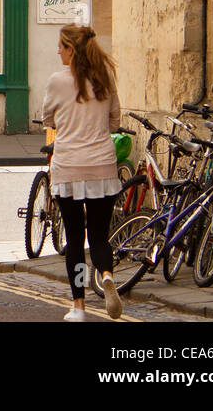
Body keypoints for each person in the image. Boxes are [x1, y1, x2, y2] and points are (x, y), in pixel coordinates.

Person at [43, 24, 124, 321]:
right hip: (102, 166)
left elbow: (48, 119)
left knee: (75, 240)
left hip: (69, 168)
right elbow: (114, 122)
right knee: (100, 237)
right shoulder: (105, 79)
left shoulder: (57, 81)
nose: (58, 51)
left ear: (71, 50)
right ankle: (106, 275)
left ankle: (78, 307)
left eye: (61, 47)